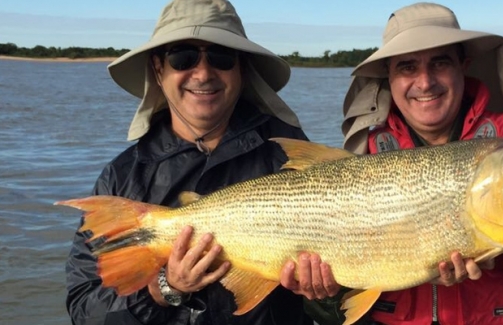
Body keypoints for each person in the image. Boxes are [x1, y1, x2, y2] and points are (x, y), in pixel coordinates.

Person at [302, 3, 503, 325]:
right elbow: (334, 317)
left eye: (439, 63)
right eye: (407, 67)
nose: (425, 82)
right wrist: (325, 294)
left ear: (463, 66)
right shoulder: (362, 152)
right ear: (389, 77)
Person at [65, 0, 325, 324]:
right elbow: (84, 308)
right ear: (158, 68)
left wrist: (324, 293)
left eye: (221, 57)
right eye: (183, 56)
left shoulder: (291, 156)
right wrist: (164, 288)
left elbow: (340, 299)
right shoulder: (122, 178)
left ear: (241, 69)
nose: (203, 73)